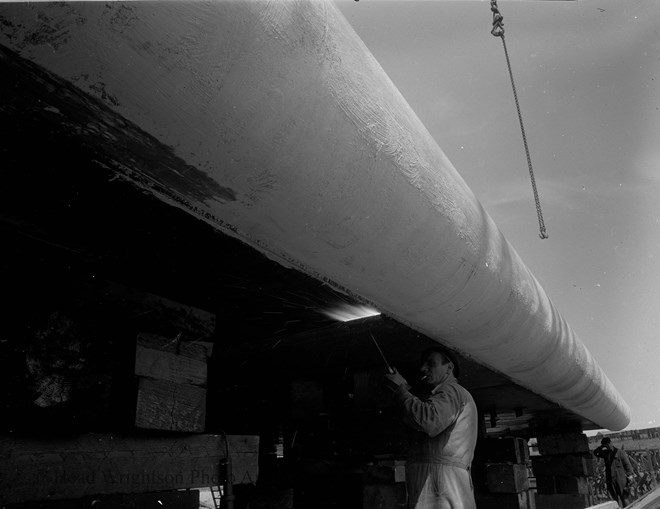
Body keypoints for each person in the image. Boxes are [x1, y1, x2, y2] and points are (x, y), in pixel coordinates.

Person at [384, 346, 478, 509]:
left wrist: (401, 391)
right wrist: (406, 390)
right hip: (443, 481)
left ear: (449, 368)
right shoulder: (452, 394)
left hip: (439, 483)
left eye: (430, 363)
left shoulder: (450, 391)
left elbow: (429, 420)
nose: (422, 368)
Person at [593, 437, 635, 507]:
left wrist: (630, 475)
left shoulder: (620, 452)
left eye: (607, 444)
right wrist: (601, 447)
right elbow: (595, 453)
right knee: (613, 501)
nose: (607, 446)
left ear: (611, 443)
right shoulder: (605, 453)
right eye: (604, 445)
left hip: (621, 480)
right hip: (610, 480)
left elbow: (627, 464)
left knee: (625, 499)